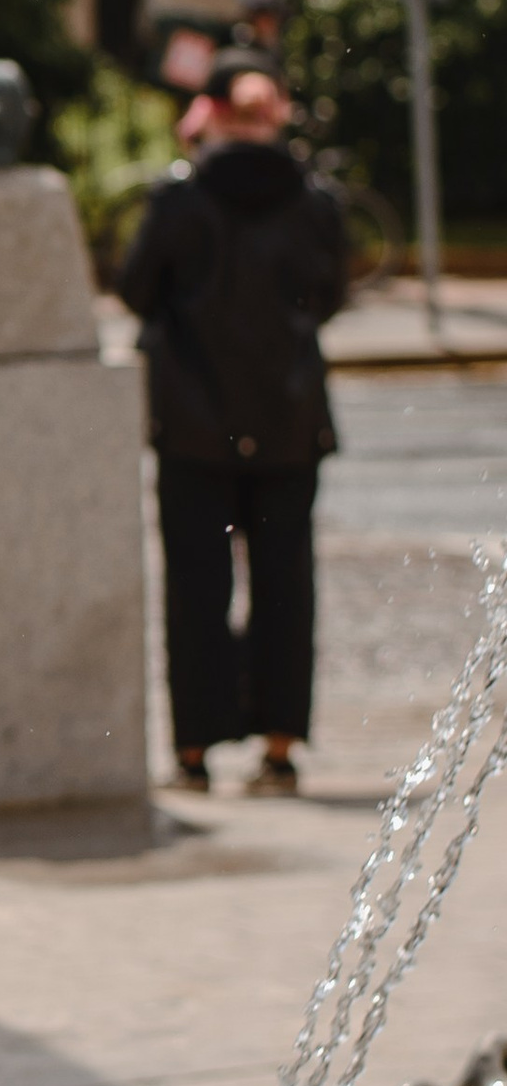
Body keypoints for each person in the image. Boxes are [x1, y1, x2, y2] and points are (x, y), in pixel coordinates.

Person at [119, 59, 347, 798]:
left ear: (208, 113)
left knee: (195, 583)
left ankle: (194, 750)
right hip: (287, 418)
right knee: (284, 581)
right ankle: (279, 749)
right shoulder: (313, 199)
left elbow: (136, 288)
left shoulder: (180, 198)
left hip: (193, 420)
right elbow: (331, 293)